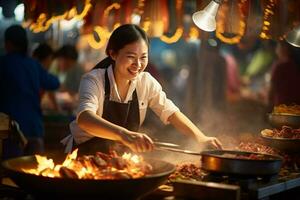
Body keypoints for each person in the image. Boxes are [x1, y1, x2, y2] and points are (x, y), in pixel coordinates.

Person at [61, 24, 222, 155]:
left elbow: (171, 112)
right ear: (113, 54)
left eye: (143, 57)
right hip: (83, 158)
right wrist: (125, 135)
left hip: (119, 159)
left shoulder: (145, 82)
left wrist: (201, 138)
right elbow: (85, 118)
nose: (138, 65)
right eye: (131, 56)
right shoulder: (94, 79)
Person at [0, 25, 60, 158]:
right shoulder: (33, 64)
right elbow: (54, 83)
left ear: (8, 43)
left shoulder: (3, 63)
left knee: (10, 173)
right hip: (34, 129)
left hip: (10, 131)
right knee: (35, 173)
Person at [269, 41, 300, 108]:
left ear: (284, 48)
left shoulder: (279, 66)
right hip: (296, 105)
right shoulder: (295, 64)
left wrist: (268, 105)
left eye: (278, 46)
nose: (276, 49)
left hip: (282, 105)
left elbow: (272, 89)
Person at [32, 43, 59, 111]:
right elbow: (53, 83)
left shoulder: (29, 67)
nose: (50, 63)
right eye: (51, 60)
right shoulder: (37, 70)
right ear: (48, 58)